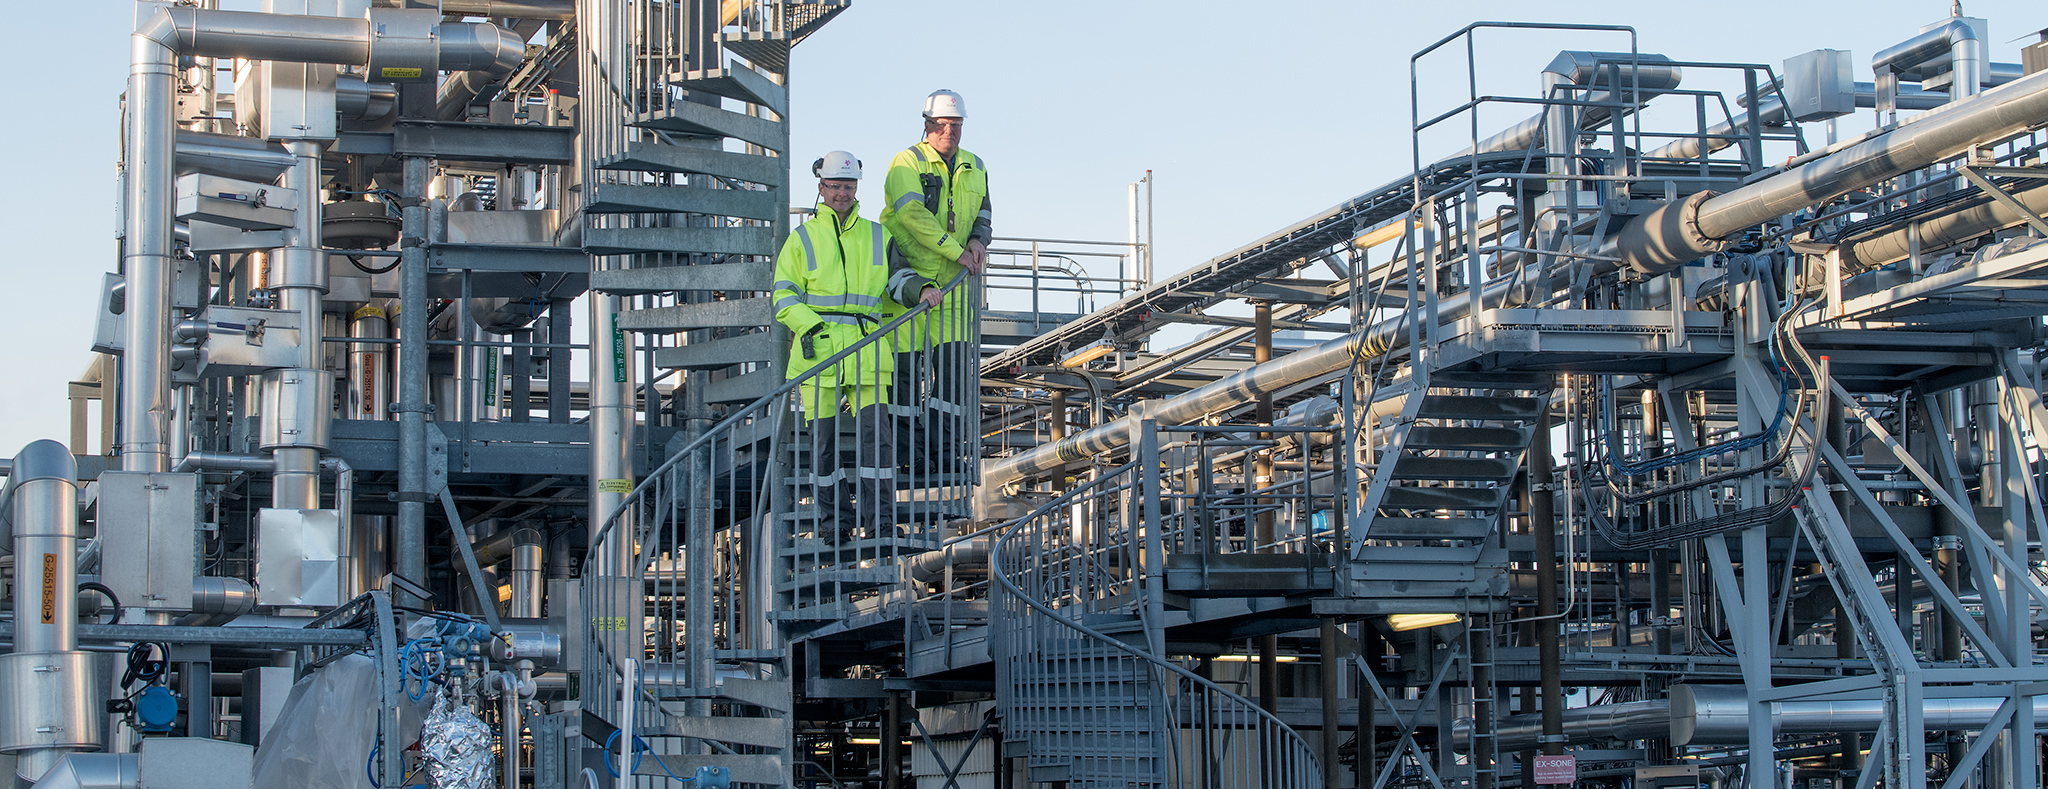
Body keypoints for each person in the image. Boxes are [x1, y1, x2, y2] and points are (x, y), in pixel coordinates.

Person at [773, 151, 928, 542]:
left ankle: (879, 524)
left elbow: (898, 278)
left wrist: (920, 289)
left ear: (857, 187)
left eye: (848, 186)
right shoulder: (801, 239)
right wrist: (814, 328)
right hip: (818, 354)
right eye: (835, 186)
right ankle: (834, 525)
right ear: (821, 188)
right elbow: (783, 297)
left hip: (867, 352)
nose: (842, 193)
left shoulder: (878, 235)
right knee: (823, 451)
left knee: (878, 446)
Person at [881, 89, 990, 479]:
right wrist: (955, 250)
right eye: (942, 125)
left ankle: (944, 456)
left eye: (956, 125)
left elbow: (984, 212)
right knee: (907, 380)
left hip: (956, 291)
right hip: (911, 284)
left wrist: (978, 239)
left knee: (953, 380)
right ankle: (910, 459)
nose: (949, 132)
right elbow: (910, 214)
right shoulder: (906, 162)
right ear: (927, 125)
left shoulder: (975, 165)